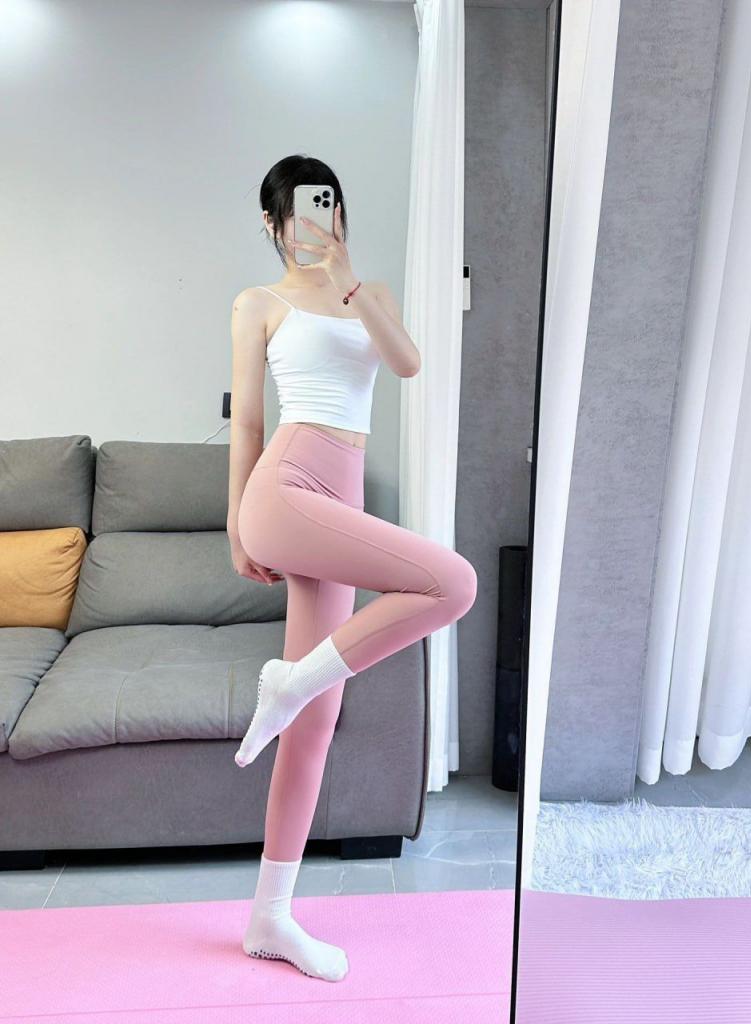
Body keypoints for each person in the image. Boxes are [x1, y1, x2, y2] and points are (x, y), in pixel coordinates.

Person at [226, 155, 478, 982]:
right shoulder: (258, 303)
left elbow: (406, 364)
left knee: (316, 717)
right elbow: (248, 424)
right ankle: (290, 683)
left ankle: (269, 919)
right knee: (452, 582)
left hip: (342, 492)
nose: (314, 220)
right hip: (286, 487)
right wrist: (235, 524)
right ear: (272, 224)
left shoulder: (370, 294)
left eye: (327, 205)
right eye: (298, 210)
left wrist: (349, 282)